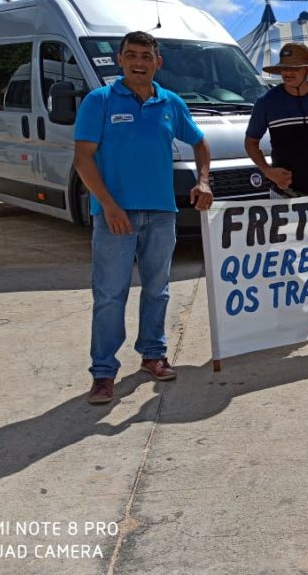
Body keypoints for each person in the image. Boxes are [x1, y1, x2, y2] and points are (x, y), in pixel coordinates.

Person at [73, 31, 213, 404]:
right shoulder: (99, 101)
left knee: (158, 290)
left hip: (162, 213)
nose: (139, 62)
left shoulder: (170, 103)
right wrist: (109, 206)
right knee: (109, 295)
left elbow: (199, 143)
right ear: (119, 60)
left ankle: (153, 354)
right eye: (131, 55)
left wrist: (203, 181)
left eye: (146, 56)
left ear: (157, 62)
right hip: (115, 216)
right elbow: (83, 158)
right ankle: (103, 373)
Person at [245, 43, 308, 197]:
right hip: (283, 194)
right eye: (284, 68)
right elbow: (250, 142)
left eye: (295, 68)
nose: (287, 73)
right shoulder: (266, 101)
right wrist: (267, 171)